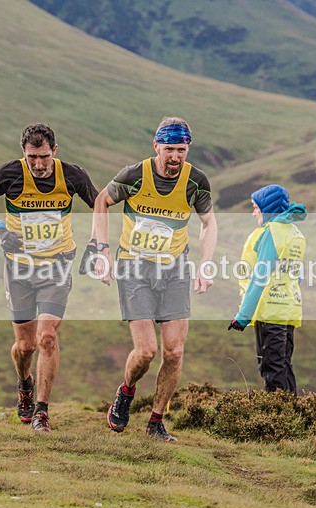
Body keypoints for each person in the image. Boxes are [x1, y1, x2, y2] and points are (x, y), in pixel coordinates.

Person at [92, 117, 217, 442]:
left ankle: (156, 420)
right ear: (156, 147)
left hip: (174, 269)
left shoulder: (196, 181)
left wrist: (206, 263)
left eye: (181, 150)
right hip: (135, 268)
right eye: (169, 149)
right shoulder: (134, 175)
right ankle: (127, 390)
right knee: (146, 351)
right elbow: (101, 201)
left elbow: (208, 223)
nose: (175, 157)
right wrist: (102, 249)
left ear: (188, 148)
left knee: (174, 351)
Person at [0, 123, 98, 432]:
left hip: (56, 266)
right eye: (32, 157)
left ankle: (42, 411)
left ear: (54, 151)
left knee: (46, 337)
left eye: (43, 157)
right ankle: (24, 384)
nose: (39, 165)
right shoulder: (9, 174)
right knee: (25, 346)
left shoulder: (72, 175)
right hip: (19, 269)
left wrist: (97, 244)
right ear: (24, 153)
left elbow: (100, 207)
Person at [228, 184, 307, 395]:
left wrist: (243, 316)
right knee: (283, 365)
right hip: (287, 311)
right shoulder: (293, 232)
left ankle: (278, 420)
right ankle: (292, 417)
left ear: (268, 208)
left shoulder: (271, 233)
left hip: (269, 312)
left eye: (256, 207)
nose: (254, 213)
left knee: (271, 368)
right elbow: (297, 276)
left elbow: (259, 278)